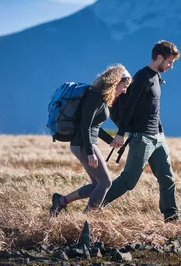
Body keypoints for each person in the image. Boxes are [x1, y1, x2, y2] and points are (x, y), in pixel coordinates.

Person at [103, 40, 181, 222]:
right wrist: (121, 134)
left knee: (167, 178)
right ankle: (95, 204)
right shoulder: (142, 77)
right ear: (159, 57)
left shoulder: (156, 77)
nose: (170, 66)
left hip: (157, 138)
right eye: (169, 62)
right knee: (129, 180)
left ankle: (172, 217)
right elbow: (129, 107)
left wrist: (160, 131)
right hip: (142, 138)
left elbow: (153, 108)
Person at [49, 64, 132, 216]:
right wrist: (90, 153)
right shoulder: (95, 96)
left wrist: (110, 140)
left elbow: (93, 126)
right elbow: (85, 125)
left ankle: (60, 201)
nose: (125, 90)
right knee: (105, 183)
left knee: (96, 185)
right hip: (83, 144)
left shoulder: (100, 96)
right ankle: (86, 220)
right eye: (124, 86)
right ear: (116, 82)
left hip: (84, 143)